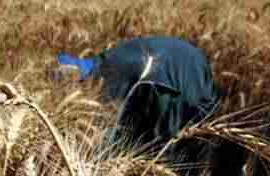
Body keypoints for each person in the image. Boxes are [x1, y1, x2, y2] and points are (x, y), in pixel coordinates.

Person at [56, 36, 220, 162]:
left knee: (168, 145)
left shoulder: (108, 72)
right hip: (191, 63)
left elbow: (111, 127)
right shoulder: (106, 58)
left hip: (170, 79)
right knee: (189, 136)